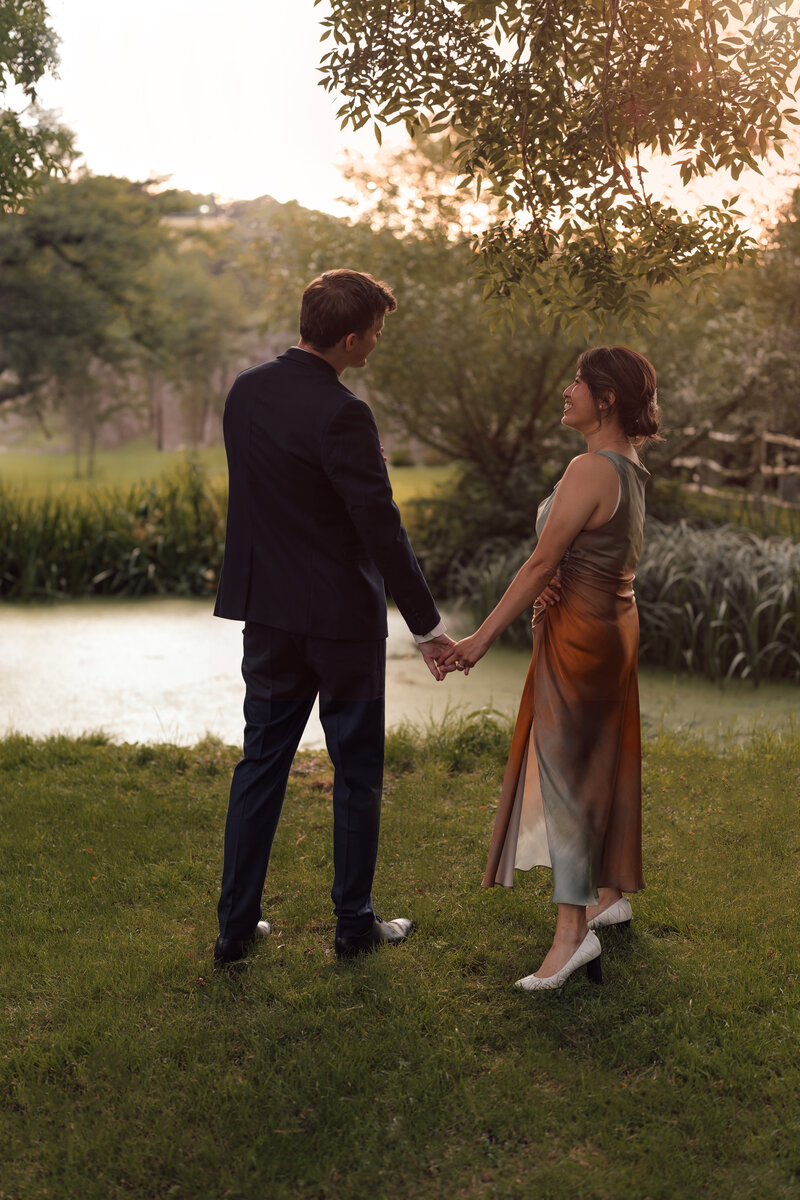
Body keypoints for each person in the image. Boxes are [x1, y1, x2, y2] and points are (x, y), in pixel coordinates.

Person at [213, 269, 453, 965]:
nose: (378, 341)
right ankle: (354, 927)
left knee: (260, 764)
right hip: (341, 623)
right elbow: (380, 525)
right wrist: (428, 626)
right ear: (350, 338)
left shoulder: (246, 393)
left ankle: (234, 929)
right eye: (376, 331)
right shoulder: (346, 413)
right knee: (356, 773)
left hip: (268, 614)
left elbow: (275, 493)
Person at [441, 346, 660, 992]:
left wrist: (479, 640)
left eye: (578, 384)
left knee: (565, 775)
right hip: (614, 624)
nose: (567, 393)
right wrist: (560, 575)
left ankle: (571, 937)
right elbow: (583, 553)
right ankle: (610, 893)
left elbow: (541, 563)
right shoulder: (627, 465)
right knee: (606, 762)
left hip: (581, 636)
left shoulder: (590, 468)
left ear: (607, 398)